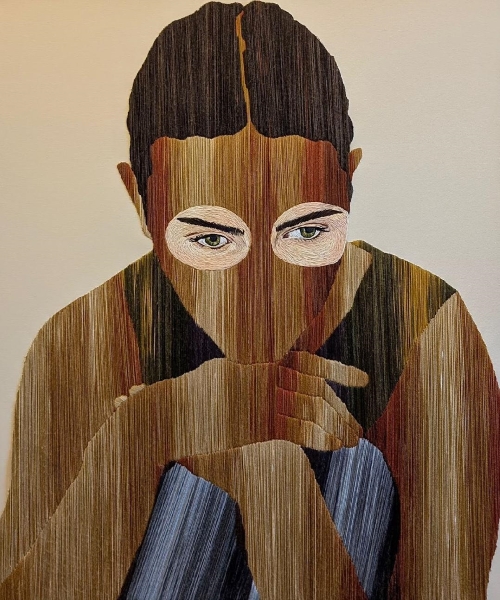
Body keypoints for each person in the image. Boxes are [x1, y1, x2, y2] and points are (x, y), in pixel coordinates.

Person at [0, 2, 498, 598]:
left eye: (306, 231)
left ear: (349, 183)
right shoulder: (85, 339)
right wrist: (145, 432)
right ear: (139, 201)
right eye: (210, 240)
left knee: (356, 469)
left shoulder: (423, 329)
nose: (260, 294)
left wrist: (273, 479)